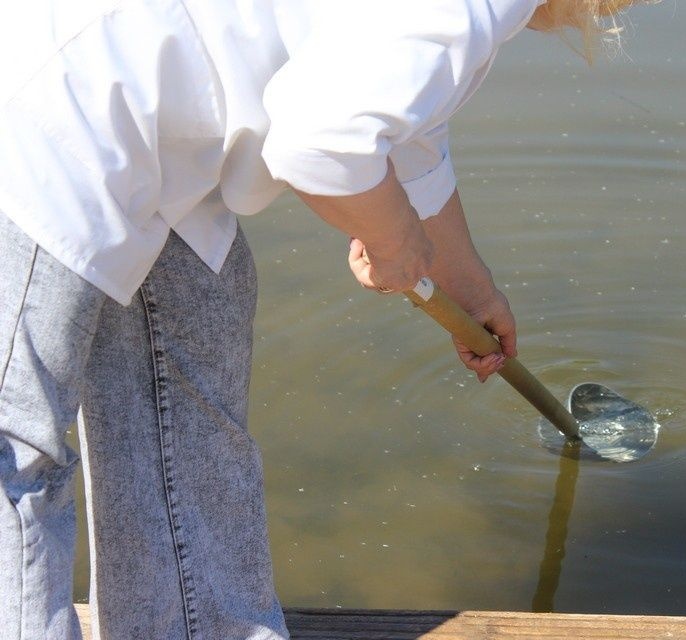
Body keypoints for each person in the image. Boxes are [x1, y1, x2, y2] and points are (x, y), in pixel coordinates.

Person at [0, 0, 638, 638]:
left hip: (157, 140)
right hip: (55, 110)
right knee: (17, 459)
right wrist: (390, 239)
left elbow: (404, 128)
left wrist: (464, 281)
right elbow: (318, 141)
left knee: (189, 423)